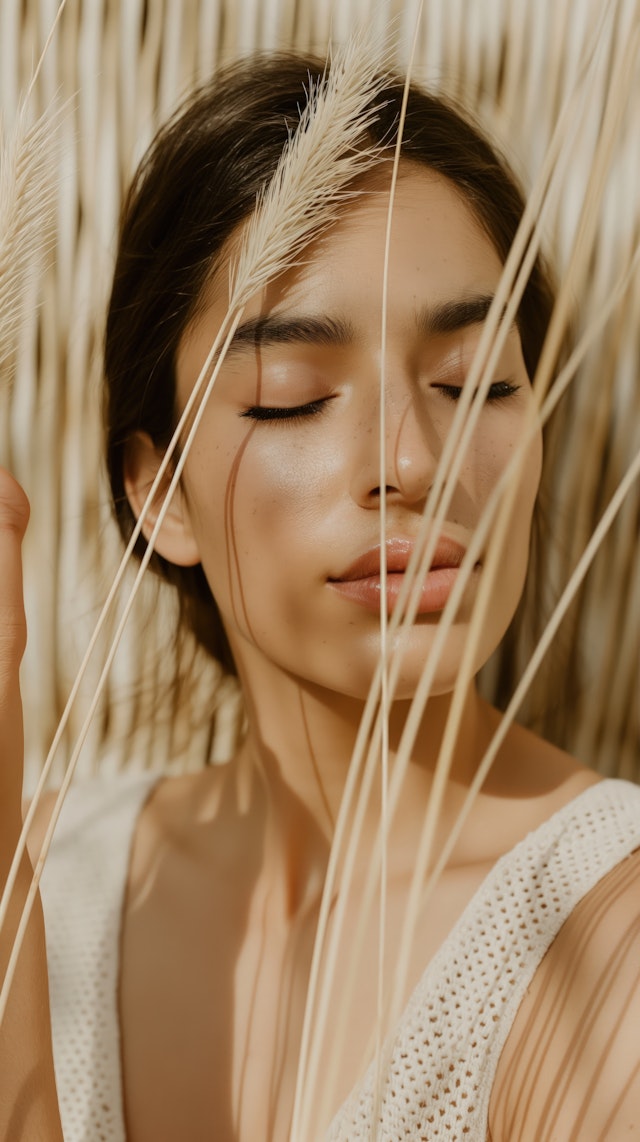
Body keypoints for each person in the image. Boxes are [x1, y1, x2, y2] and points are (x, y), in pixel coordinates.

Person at [1, 51, 639, 1142]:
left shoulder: (602, 934)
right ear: (162, 495)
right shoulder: (56, 870)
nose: (413, 459)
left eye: (473, 381)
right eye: (293, 400)